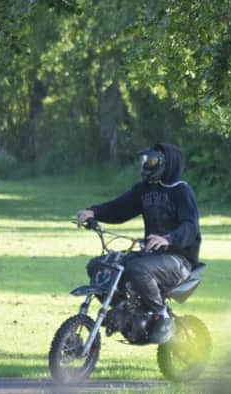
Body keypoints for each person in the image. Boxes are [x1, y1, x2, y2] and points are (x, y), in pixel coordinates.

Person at [76, 143, 201, 344]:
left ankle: (162, 316)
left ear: (166, 164)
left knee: (136, 268)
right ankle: (125, 312)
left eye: (151, 161)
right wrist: (94, 212)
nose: (146, 165)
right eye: (145, 161)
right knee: (98, 266)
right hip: (151, 256)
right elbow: (119, 208)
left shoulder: (181, 191)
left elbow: (190, 227)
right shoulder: (144, 189)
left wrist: (167, 239)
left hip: (178, 260)